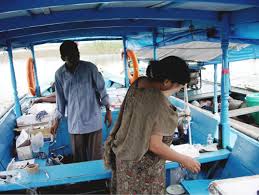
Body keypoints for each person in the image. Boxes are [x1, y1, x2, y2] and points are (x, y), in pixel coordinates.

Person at [104, 56, 200, 194]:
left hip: (123, 157)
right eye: (178, 86)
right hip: (143, 171)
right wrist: (184, 159)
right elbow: (154, 145)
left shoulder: (139, 83)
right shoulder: (159, 104)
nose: (177, 90)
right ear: (167, 81)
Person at [51, 40, 112, 162]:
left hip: (93, 120)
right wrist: (56, 120)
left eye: (77, 53)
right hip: (75, 123)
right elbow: (60, 100)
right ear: (63, 57)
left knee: (95, 157)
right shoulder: (59, 75)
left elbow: (102, 90)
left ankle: (97, 181)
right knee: (79, 158)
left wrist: (108, 110)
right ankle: (83, 181)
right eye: (71, 56)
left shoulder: (90, 68)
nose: (75, 57)